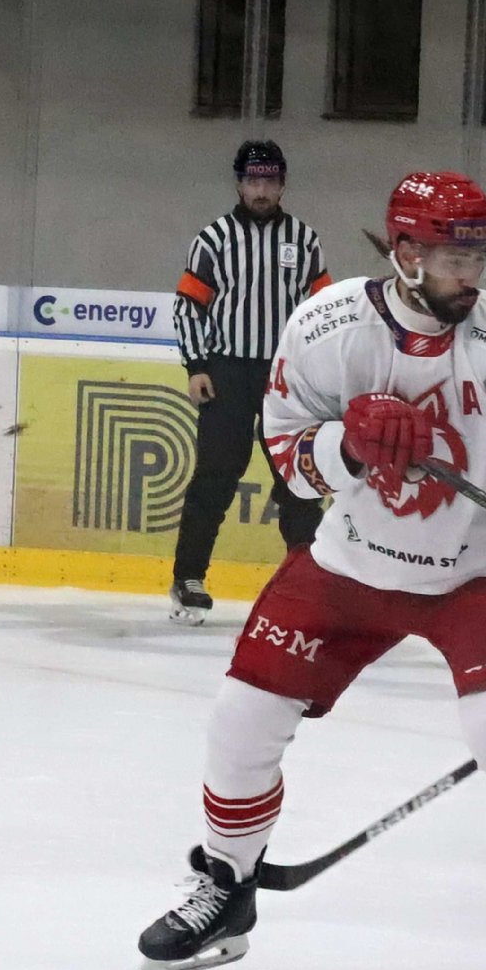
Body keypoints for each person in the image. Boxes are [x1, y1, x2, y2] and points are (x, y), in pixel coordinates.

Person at [138, 172, 486, 970]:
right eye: (457, 258)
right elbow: (288, 456)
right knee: (242, 716)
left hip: (480, 571)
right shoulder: (327, 325)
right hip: (350, 563)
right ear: (405, 253)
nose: (473, 274)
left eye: (481, 257)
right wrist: (348, 448)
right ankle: (226, 886)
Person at [170, 140, 334, 624]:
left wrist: (321, 372)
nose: (261, 190)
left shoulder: (305, 240)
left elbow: (322, 311)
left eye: (270, 181)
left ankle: (309, 583)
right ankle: (188, 577)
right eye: (252, 181)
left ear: (282, 184)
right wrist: (197, 365)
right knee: (216, 475)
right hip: (227, 372)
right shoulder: (213, 239)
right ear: (239, 183)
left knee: (298, 479)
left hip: (287, 377)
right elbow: (188, 306)